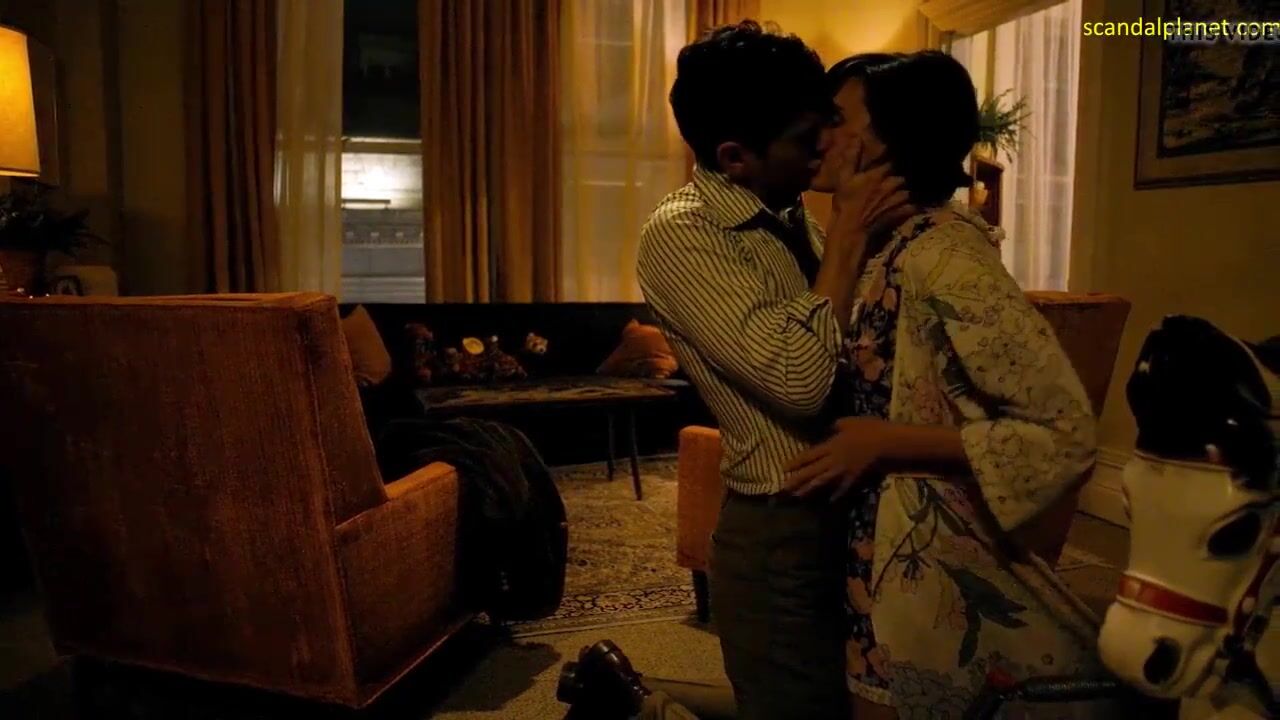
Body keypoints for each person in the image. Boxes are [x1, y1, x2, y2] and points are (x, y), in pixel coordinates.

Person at [558, 20, 916, 720]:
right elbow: (800, 382)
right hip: (779, 530)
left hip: (847, 511)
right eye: (806, 136)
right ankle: (631, 708)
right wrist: (848, 236)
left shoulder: (790, 215)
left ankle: (619, 691)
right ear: (734, 157)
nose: (825, 146)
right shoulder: (683, 233)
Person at [789, 50, 1111, 718]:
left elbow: (1064, 430)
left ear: (886, 140)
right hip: (869, 549)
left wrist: (887, 441)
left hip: (923, 557)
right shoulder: (881, 248)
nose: (815, 134)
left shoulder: (945, 256)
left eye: (835, 119)